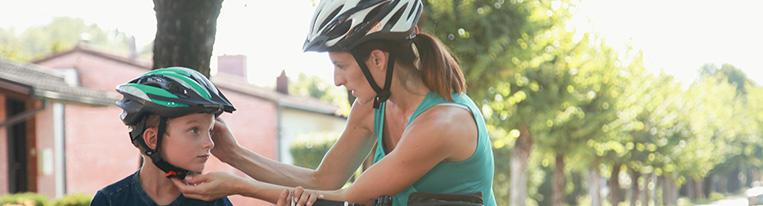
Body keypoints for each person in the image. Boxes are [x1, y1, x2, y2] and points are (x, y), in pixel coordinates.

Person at [172, 0, 497, 205]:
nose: (337, 81)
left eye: (340, 66)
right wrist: (233, 154)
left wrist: (240, 187)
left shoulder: (443, 123)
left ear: (378, 59)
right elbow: (322, 181)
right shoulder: (373, 106)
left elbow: (342, 199)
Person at [91, 67, 236, 206]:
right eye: (194, 130)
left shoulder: (213, 201)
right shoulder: (110, 201)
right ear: (152, 139)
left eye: (210, 131)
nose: (210, 144)